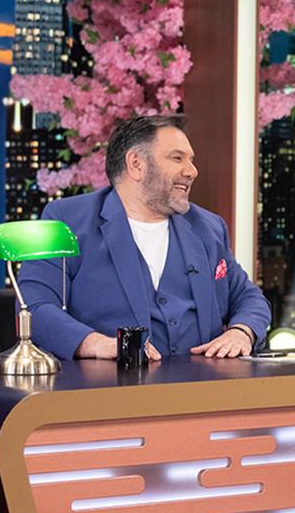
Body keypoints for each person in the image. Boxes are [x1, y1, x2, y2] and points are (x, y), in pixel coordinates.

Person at [18, 114, 271, 361]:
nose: (192, 171)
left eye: (191, 160)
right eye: (177, 158)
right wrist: (96, 344)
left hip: (204, 383)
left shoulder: (208, 227)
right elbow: (33, 307)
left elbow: (249, 298)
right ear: (136, 164)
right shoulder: (67, 221)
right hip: (106, 385)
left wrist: (242, 332)